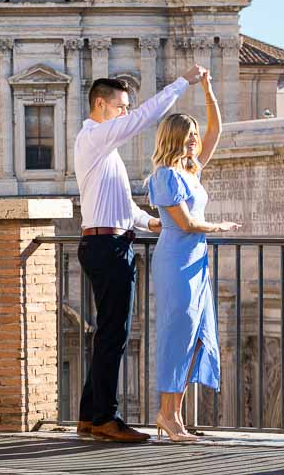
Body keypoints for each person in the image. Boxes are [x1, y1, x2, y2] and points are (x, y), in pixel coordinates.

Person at [74, 63, 207, 443]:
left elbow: (118, 206)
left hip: (108, 240)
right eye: (121, 107)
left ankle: (89, 414)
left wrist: (150, 223)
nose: (127, 113)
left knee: (108, 334)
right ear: (100, 105)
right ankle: (105, 417)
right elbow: (148, 116)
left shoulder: (103, 150)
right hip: (107, 247)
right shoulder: (97, 137)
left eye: (127, 108)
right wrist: (183, 82)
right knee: (114, 335)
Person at [147, 71, 241, 443]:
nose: (193, 144)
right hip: (177, 262)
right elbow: (185, 224)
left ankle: (174, 416)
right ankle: (167, 416)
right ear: (173, 140)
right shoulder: (165, 176)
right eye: (186, 139)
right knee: (177, 336)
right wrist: (220, 227)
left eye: (193, 139)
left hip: (195, 263)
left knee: (196, 337)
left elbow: (216, 131)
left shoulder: (191, 170)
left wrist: (207, 89)